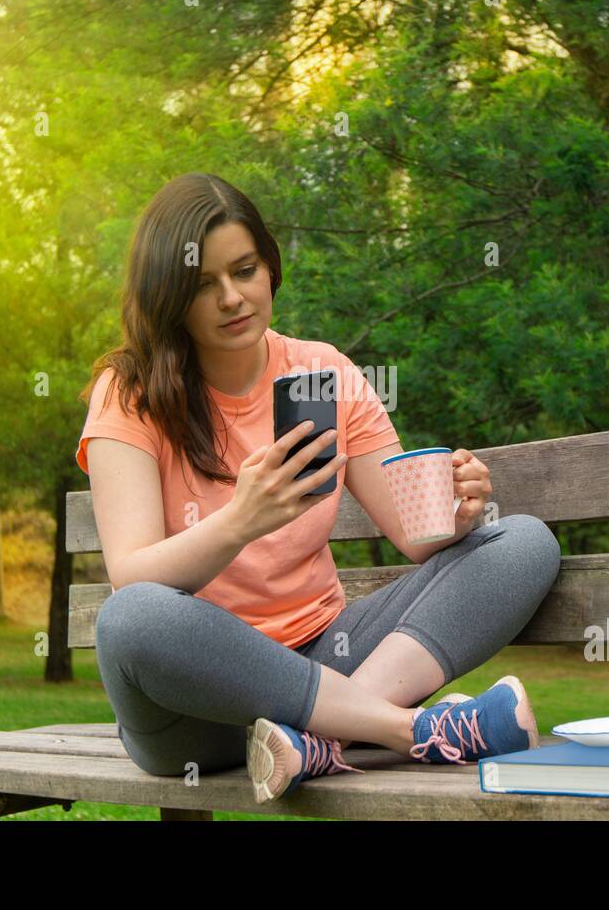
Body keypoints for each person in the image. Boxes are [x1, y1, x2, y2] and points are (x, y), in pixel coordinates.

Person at [76, 172, 563, 804]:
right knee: (130, 617)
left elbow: (421, 541)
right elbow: (132, 575)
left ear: (269, 268)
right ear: (169, 295)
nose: (232, 297)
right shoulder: (130, 393)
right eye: (203, 284)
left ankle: (314, 743)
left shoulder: (324, 372)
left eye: (245, 270)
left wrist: (459, 510)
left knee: (522, 542)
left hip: (330, 657)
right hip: (195, 715)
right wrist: (240, 521)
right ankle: (401, 729)